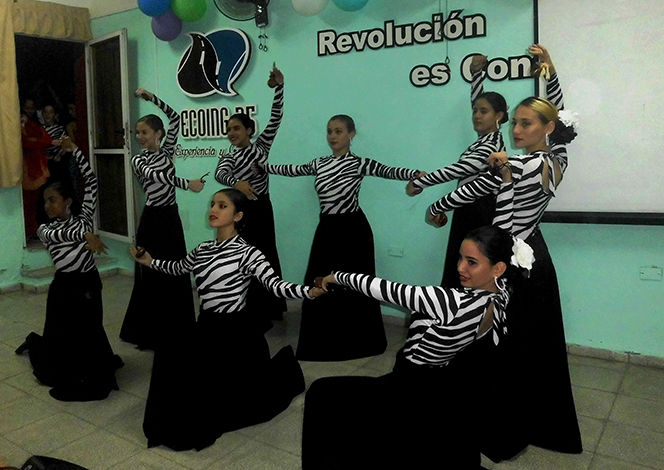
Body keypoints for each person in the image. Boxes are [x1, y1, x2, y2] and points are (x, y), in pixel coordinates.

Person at [426, 44, 582, 458]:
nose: (516, 129)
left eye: (525, 124)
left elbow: (489, 202)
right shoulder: (559, 157)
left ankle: (501, 422)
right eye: (514, 122)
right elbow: (561, 115)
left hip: (511, 263)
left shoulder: (522, 165)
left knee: (503, 344)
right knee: (535, 343)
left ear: (544, 129)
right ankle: (538, 417)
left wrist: (439, 206)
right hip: (537, 258)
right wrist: (550, 72)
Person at [302, 225, 524, 469]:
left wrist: (333, 277)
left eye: (472, 262)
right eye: (460, 258)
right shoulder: (502, 296)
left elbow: (379, 288)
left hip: (408, 388)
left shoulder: (450, 302)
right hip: (439, 384)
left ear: (499, 268)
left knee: (321, 392)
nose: (460, 267)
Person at [131, 188, 326, 451]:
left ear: (238, 216)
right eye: (213, 204)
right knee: (168, 351)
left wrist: (309, 292)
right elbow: (177, 268)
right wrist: (149, 260)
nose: (213, 209)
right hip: (206, 326)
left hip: (235, 333)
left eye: (222, 206)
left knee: (216, 392)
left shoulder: (248, 253)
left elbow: (276, 285)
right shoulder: (203, 249)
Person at [260, 115, 423, 361]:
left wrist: (417, 174)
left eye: (338, 131)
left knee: (356, 285)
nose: (333, 136)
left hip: (353, 231)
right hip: (327, 229)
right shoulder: (320, 163)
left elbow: (389, 171)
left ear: (351, 135)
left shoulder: (359, 163)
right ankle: (320, 344)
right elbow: (291, 170)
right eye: (329, 132)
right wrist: (263, 167)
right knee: (318, 283)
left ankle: (360, 342)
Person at [16, 137, 122, 402]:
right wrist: (87, 237)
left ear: (67, 202)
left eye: (52, 200)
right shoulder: (46, 230)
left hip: (87, 283)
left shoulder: (84, 217)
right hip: (64, 285)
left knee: (89, 328)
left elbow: (93, 182)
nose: (47, 205)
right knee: (62, 332)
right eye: (45, 201)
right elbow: (66, 235)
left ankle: (92, 366)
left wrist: (75, 151)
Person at [406, 54, 509, 288]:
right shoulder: (484, 140)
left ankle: (464, 319)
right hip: (468, 211)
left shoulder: (491, 145)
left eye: (484, 111)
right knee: (461, 269)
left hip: (479, 213)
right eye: (475, 111)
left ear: (499, 116)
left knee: (470, 272)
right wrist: (477, 75)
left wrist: (420, 183)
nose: (476, 115)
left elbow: (458, 170)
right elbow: (478, 99)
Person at [119, 88, 206, 350]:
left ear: (158, 134)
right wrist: (186, 183)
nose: (140, 137)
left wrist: (152, 98)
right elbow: (158, 177)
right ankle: (149, 331)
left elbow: (175, 117)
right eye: (137, 133)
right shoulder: (137, 160)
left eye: (144, 132)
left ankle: (176, 327)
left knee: (174, 269)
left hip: (170, 218)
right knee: (150, 273)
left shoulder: (167, 151)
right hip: (152, 219)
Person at [215, 63, 288, 325]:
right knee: (245, 257)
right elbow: (219, 174)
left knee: (266, 254)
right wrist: (238, 183)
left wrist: (279, 87)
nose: (231, 133)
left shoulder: (261, 147)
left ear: (248, 130)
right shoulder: (230, 157)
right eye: (229, 130)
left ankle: (271, 306)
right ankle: (247, 304)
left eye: (236, 128)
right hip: (242, 215)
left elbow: (276, 118)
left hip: (263, 209)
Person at [21, 112, 56, 238]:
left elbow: (48, 140)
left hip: (37, 169)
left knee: (34, 203)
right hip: (24, 169)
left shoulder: (34, 126)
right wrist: (35, 142)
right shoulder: (16, 129)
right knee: (25, 203)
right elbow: (23, 143)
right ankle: (26, 230)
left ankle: (33, 229)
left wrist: (35, 140)